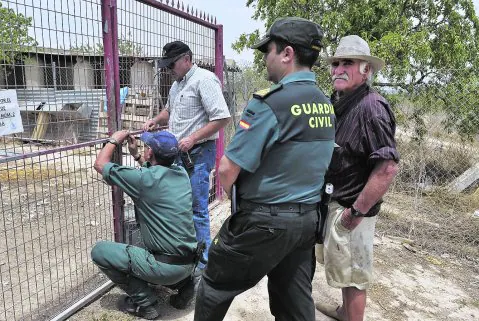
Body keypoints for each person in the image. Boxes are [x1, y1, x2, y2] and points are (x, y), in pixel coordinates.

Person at [194, 17, 335, 321]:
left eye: (267, 50)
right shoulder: (325, 103)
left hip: (265, 220)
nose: (265, 58)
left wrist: (245, 211)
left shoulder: (271, 103)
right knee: (294, 300)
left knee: (213, 286)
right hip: (307, 221)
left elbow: (227, 169)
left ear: (286, 53)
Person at [314, 35, 400, 321]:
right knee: (343, 268)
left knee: (353, 278)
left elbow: (386, 168)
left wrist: (356, 212)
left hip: (352, 209)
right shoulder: (340, 101)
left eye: (348, 63)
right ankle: (343, 313)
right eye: (336, 63)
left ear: (366, 70)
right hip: (336, 201)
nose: (339, 68)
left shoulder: (371, 107)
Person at [91, 130, 199, 320]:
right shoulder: (181, 174)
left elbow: (100, 164)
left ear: (151, 153)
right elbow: (153, 177)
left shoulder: (143, 180)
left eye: (147, 147)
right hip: (189, 262)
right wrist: (137, 156)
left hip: (164, 268)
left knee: (100, 251)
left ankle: (145, 303)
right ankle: (185, 286)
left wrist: (114, 139)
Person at [143, 41, 230, 271]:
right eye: (167, 65)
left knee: (197, 209)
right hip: (179, 154)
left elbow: (221, 118)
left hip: (198, 154)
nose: (169, 69)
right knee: (179, 206)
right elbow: (169, 111)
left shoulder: (205, 80)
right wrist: (157, 120)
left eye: (171, 64)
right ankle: (185, 257)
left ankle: (204, 267)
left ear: (186, 59)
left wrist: (192, 138)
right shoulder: (177, 84)